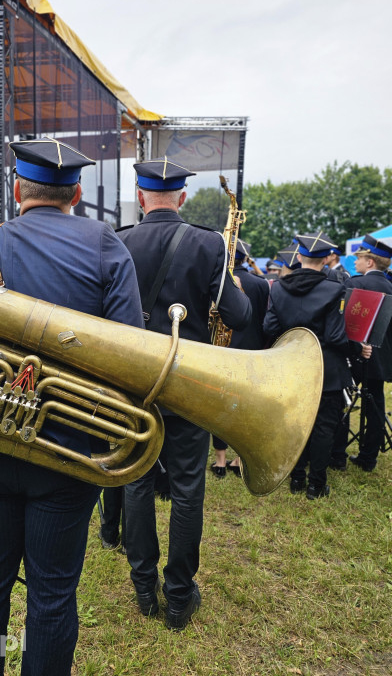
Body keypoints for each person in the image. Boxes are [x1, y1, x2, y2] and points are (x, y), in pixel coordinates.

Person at [0, 137, 143, 676]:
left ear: (18, 189)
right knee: (52, 595)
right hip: (68, 456)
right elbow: (132, 360)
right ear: (74, 192)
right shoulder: (105, 245)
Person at [117, 159, 252, 630]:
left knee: (135, 482)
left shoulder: (118, 240)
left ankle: (142, 586)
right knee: (188, 490)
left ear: (139, 196)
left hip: (132, 385)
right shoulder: (207, 242)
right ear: (183, 198)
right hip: (188, 386)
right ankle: (178, 596)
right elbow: (237, 314)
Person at [263, 231, 371, 499]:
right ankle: (316, 485)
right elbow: (335, 336)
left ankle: (296, 478)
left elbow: (269, 328)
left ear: (299, 257)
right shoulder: (335, 289)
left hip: (291, 366)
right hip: (327, 369)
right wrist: (358, 348)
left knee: (295, 425)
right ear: (327, 259)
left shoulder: (277, 287)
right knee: (324, 426)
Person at [331, 234, 392, 472]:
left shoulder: (356, 284)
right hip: (381, 360)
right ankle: (368, 458)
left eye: (360, 258)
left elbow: (344, 322)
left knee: (341, 403)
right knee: (375, 406)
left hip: (356, 355)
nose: (355, 262)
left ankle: (337, 456)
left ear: (370, 262)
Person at [211, 238, 270, 478]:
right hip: (253, 353)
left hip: (222, 350)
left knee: (220, 406)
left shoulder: (217, 282)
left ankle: (220, 460)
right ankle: (239, 458)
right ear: (246, 259)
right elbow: (266, 322)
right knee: (246, 407)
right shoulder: (262, 284)